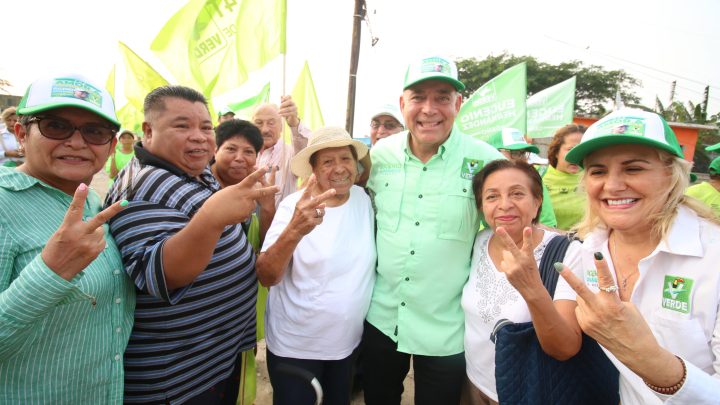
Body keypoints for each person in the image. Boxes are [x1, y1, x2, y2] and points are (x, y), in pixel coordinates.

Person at [105, 85, 278, 404]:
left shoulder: (193, 171)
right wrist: (212, 217)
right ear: (148, 130)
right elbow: (163, 274)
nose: (199, 136)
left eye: (205, 127)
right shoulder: (142, 188)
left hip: (212, 361)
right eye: (182, 126)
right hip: (176, 379)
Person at [362, 56, 504, 404]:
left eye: (442, 97)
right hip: (383, 316)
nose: (429, 109)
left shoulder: (485, 160)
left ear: (458, 104)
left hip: (448, 326)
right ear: (402, 104)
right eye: (418, 97)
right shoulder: (379, 156)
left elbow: (508, 230)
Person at [554, 108, 720, 404]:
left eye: (633, 169)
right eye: (598, 171)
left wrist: (650, 360)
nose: (613, 185)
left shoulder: (713, 256)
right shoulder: (589, 248)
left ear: (671, 174)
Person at [0, 74, 134, 403]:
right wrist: (50, 271)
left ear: (111, 145)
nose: (76, 142)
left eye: (95, 131)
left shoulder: (89, 200)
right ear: (21, 133)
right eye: (56, 126)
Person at [257, 126, 376, 405]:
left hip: (346, 347)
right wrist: (295, 230)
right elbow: (267, 275)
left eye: (345, 159)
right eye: (327, 161)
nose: (339, 168)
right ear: (313, 169)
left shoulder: (363, 200)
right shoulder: (293, 207)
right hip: (297, 348)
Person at [460, 159, 582, 404]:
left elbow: (565, 347)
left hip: (526, 391)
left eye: (517, 193)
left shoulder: (568, 253)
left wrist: (531, 288)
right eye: (492, 197)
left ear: (537, 202)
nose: (505, 205)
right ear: (482, 207)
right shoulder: (479, 241)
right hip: (473, 383)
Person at [210, 118, 276, 405]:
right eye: (231, 149)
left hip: (239, 312)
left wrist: (268, 208)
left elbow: (263, 244)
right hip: (205, 319)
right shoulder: (201, 189)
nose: (240, 158)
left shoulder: (251, 191)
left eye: (249, 152)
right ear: (215, 149)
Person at [487, 127, 557, 228]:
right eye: (515, 153)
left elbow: (547, 225)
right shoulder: (478, 181)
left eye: (523, 153)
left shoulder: (532, 180)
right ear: (494, 152)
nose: (522, 158)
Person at [253, 97, 311, 207]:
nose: (265, 129)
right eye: (259, 123)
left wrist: (294, 123)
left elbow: (305, 149)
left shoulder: (290, 154)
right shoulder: (246, 154)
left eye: (271, 123)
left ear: (281, 126)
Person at [544, 123, 587, 230]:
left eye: (581, 150)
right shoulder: (538, 177)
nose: (576, 155)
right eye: (571, 149)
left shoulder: (594, 180)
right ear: (556, 152)